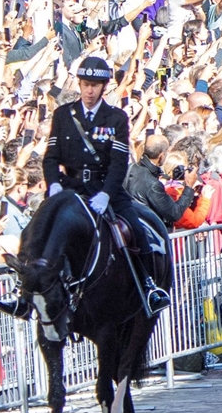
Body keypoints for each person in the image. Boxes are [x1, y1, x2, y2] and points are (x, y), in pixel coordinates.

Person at [40, 55, 173, 313]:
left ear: (104, 87)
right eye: (86, 84)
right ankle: (26, 294)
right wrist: (53, 185)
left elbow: (118, 163)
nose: (90, 90)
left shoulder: (115, 118)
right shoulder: (63, 115)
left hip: (105, 188)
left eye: (95, 85)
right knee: (38, 230)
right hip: (70, 188)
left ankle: (148, 285)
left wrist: (105, 194)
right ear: (79, 84)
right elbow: (51, 157)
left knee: (136, 229)